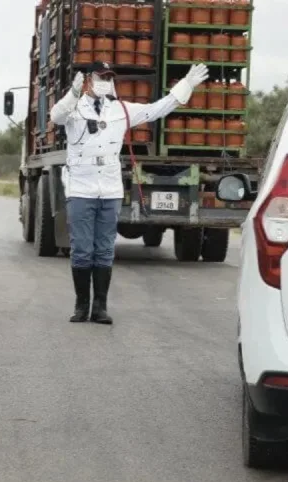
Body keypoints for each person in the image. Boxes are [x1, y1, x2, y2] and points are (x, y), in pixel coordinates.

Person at [50, 61, 209, 324]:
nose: (105, 82)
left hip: (109, 190)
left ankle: (100, 307)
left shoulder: (121, 109)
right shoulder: (74, 107)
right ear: (89, 80)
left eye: (108, 77)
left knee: (104, 249)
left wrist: (186, 85)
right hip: (81, 188)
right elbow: (56, 117)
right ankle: (81, 305)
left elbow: (156, 110)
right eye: (100, 77)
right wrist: (73, 93)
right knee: (82, 249)